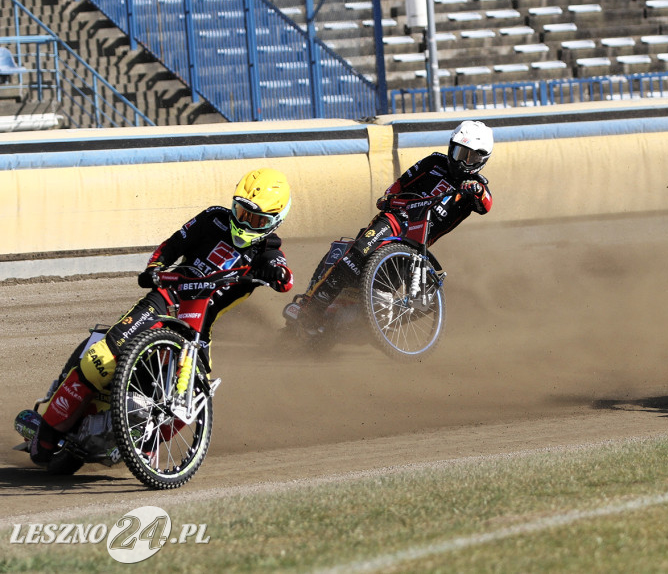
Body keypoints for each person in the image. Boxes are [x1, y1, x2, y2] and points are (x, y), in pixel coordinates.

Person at [28, 167, 295, 464]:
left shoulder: (268, 251)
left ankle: (146, 445)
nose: (243, 220)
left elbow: (285, 279)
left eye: (254, 218)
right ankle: (47, 433)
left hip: (198, 327)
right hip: (166, 298)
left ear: (274, 222)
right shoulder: (213, 218)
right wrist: (155, 268)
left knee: (196, 398)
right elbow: (173, 245)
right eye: (241, 211)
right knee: (100, 360)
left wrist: (275, 273)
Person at [293, 120, 494, 333]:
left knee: (394, 298)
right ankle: (311, 307)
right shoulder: (435, 161)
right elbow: (401, 182)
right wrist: (389, 196)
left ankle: (341, 328)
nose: (462, 161)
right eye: (459, 152)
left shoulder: (476, 187)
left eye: (470, 157)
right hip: (396, 218)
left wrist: (476, 190)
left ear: (481, 160)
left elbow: (486, 204)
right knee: (355, 257)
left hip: (415, 245)